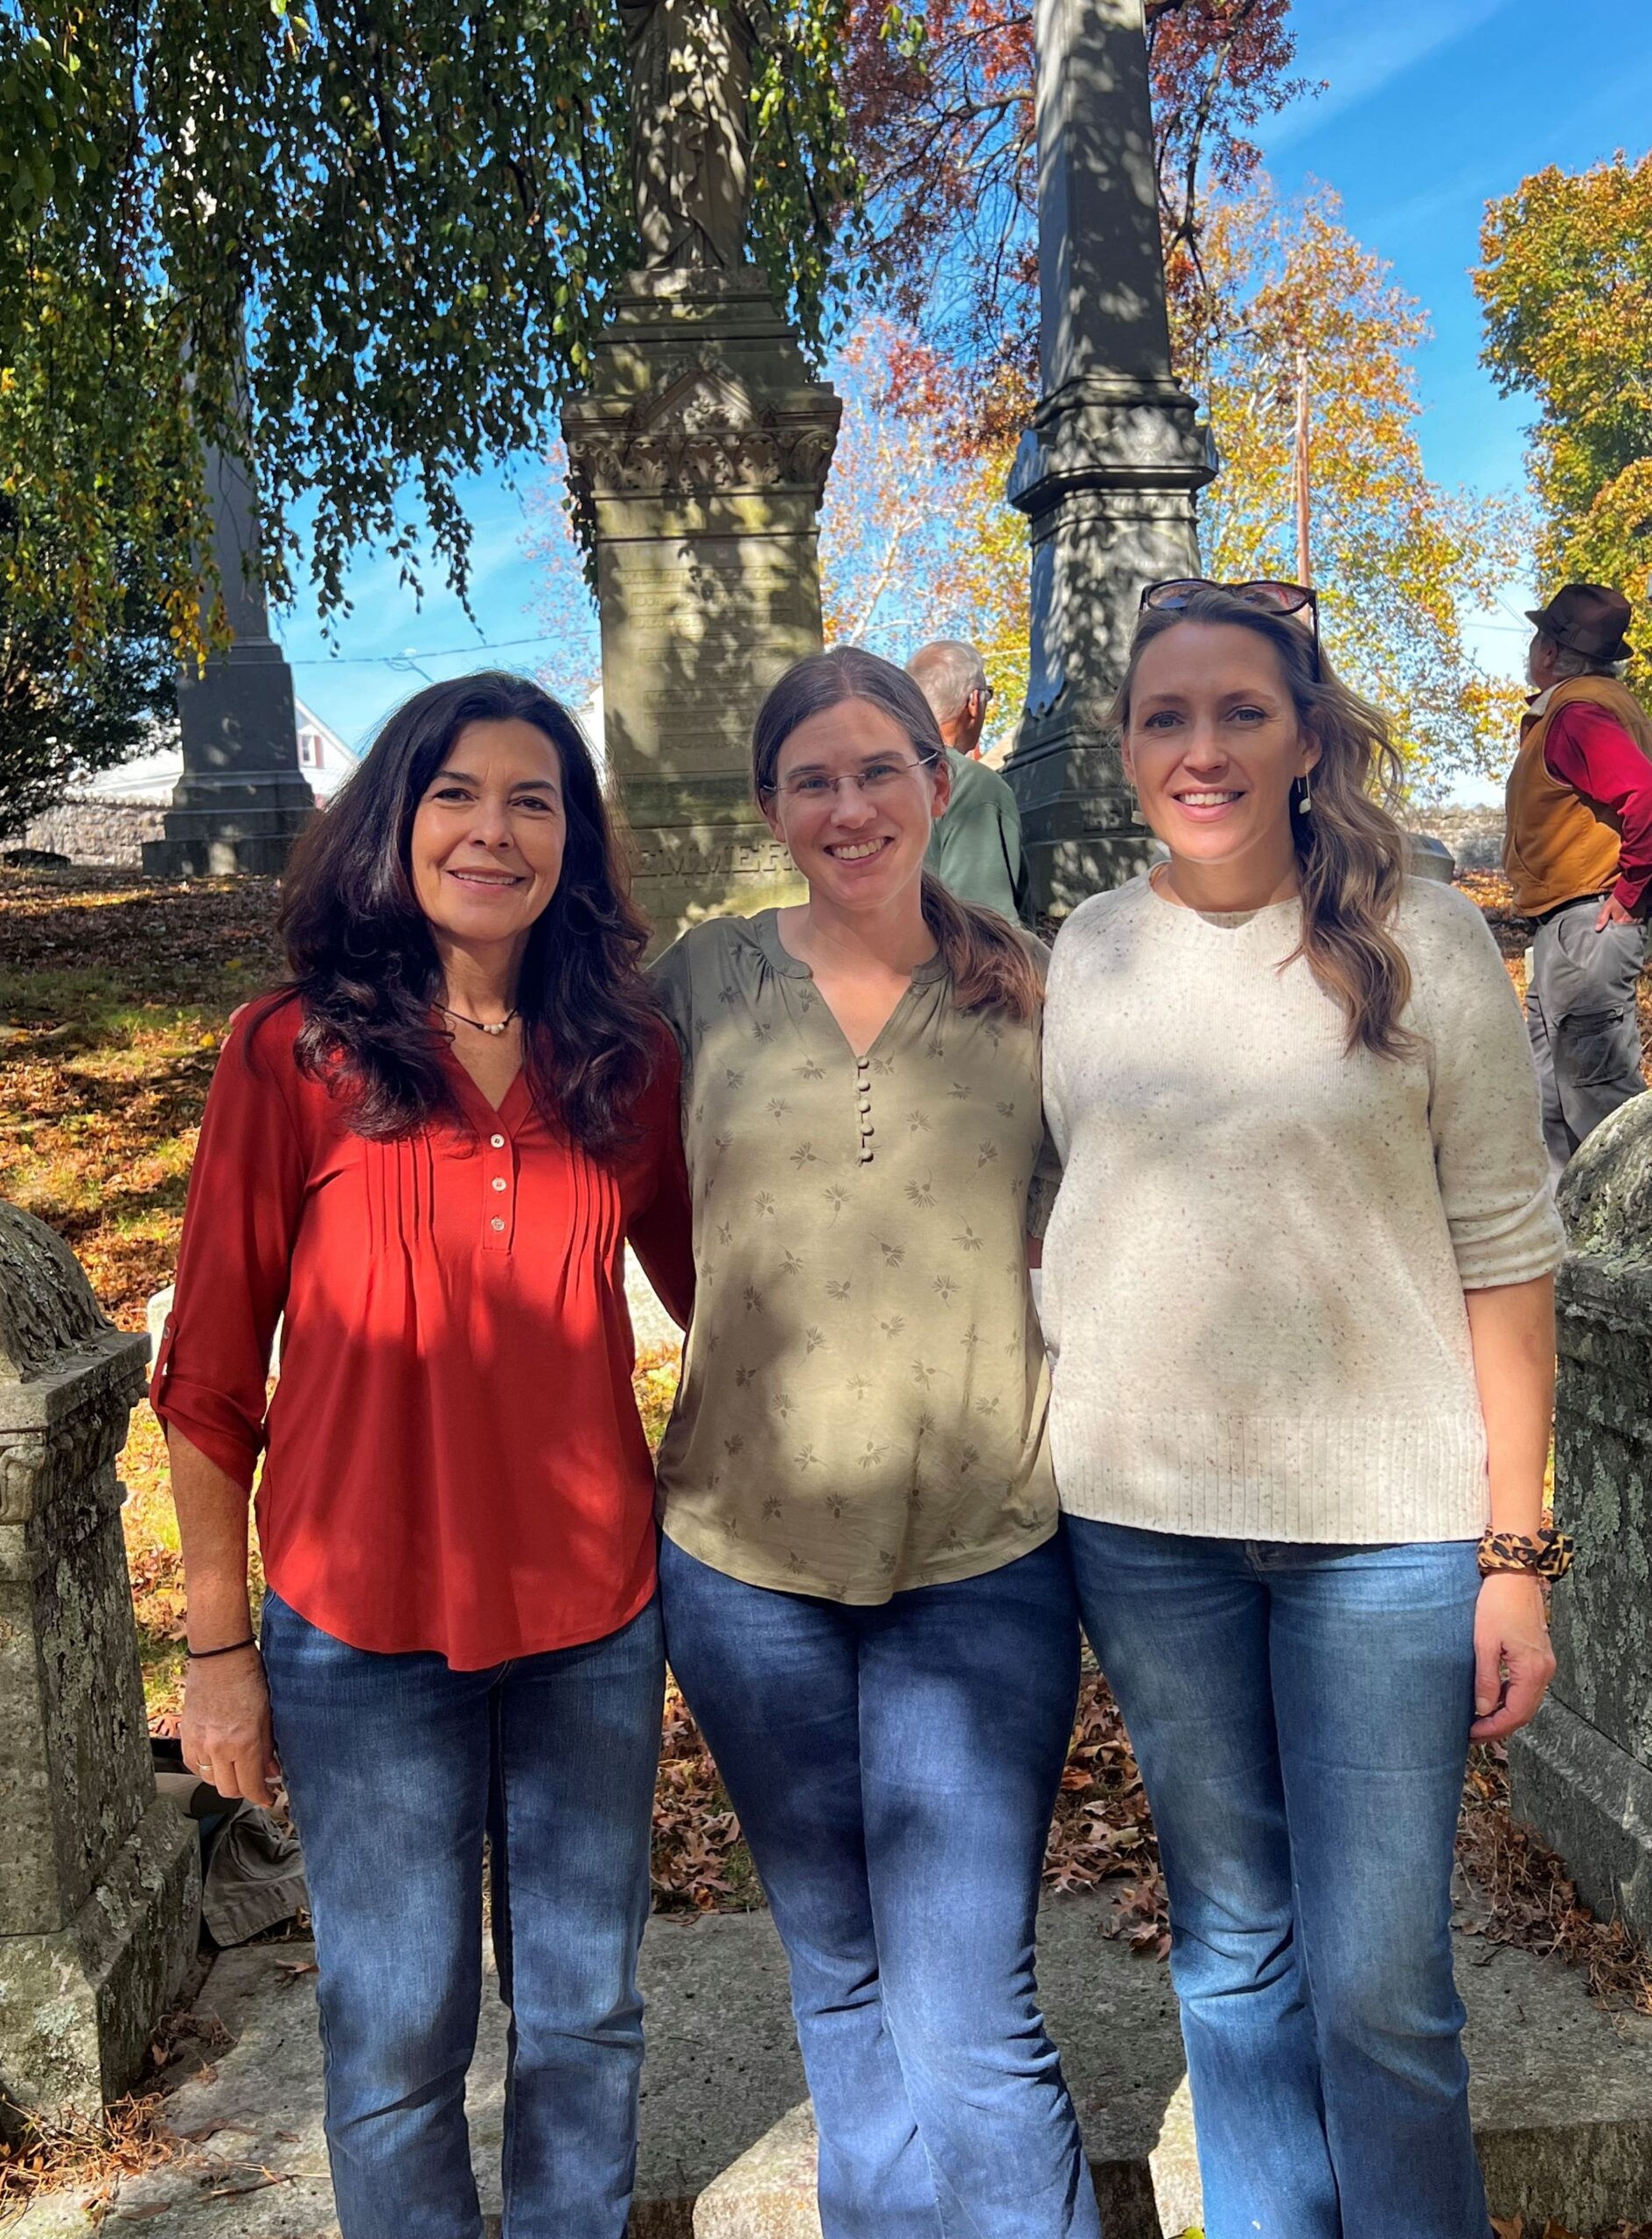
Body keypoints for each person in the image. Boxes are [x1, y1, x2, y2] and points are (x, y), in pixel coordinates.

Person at [1041, 581, 1568, 2239]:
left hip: (1385, 1547)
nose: (1199, 750)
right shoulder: (1090, 948)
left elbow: (1506, 1253)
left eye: (1237, 712)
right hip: (1146, 1527)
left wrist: (1515, 1554)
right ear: (1124, 748)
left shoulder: (1426, 938)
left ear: (1304, 734)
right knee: (1235, 1955)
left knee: (1383, 1988)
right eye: (1162, 718)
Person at [152, 673, 694, 2239]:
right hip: (359, 1625)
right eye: (457, 793)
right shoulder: (294, 1054)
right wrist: (216, 1651)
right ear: (398, 821)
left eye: (535, 801)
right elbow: (204, 1381)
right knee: (395, 2042)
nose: (493, 830)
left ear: (572, 845)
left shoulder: (626, 1061)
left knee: (587, 2018)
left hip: (591, 1617)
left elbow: (731, 1286)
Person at [648, 646, 1099, 2239]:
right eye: (812, 780)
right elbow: (629, 1190)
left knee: (972, 2017)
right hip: (742, 1559)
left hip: (979, 1558)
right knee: (838, 1986)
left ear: (938, 777)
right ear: (774, 806)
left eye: (879, 770)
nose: (850, 806)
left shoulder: (1038, 987)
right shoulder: (703, 980)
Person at [1505, 582, 1651, 1179]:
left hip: (1588, 920)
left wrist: (1629, 893)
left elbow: (1646, 798)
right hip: (1568, 924)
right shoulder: (1586, 708)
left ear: (1548, 651)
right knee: (1552, 1094)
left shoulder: (1578, 714)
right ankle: (1569, 1247)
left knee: (1598, 1096)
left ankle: (1634, 1250)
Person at [908, 637, 1029, 922]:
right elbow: (986, 925)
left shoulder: (884, 780)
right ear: (974, 701)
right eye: (987, 693)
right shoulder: (975, 787)